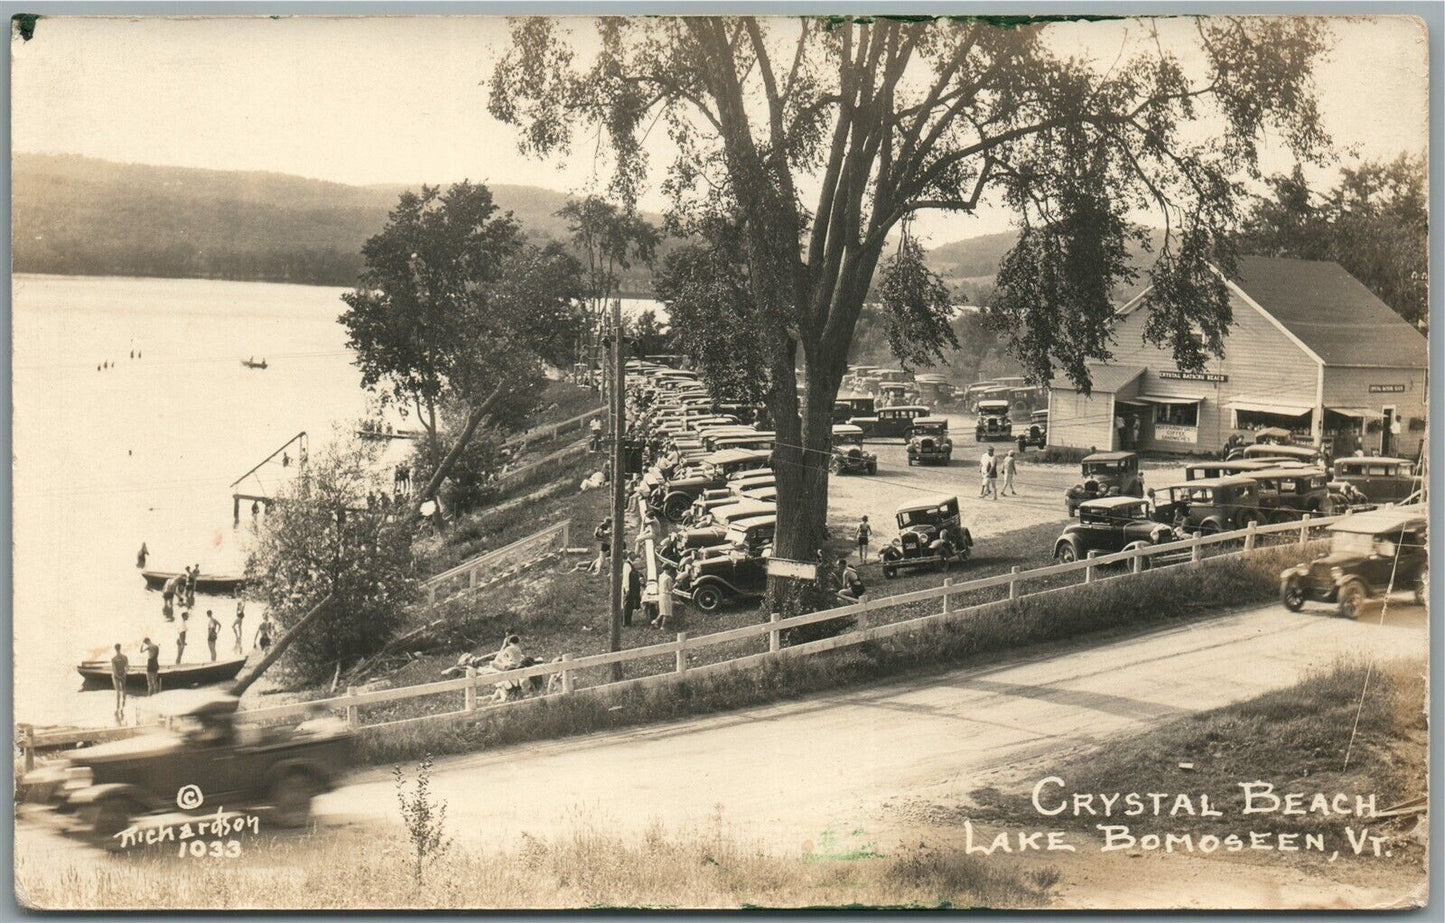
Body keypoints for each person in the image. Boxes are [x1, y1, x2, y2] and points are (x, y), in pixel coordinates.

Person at [653, 566, 676, 630]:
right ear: (668, 569)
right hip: (666, 595)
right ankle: (663, 626)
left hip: (661, 595)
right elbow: (670, 588)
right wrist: (676, 584)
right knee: (666, 612)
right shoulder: (668, 578)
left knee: (662, 611)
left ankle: (655, 621)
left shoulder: (660, 576)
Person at [622, 554, 642, 627]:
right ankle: (626, 623)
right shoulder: (627, 565)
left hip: (632, 588)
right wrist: (627, 589)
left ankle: (628, 621)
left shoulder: (631, 565)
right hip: (629, 588)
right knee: (627, 605)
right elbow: (626, 578)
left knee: (630, 605)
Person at [109, 643, 129, 714]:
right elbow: (127, 667)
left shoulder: (113, 659)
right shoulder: (125, 657)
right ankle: (123, 707)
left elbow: (114, 670)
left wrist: (118, 676)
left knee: (117, 691)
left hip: (117, 676)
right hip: (123, 674)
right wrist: (124, 674)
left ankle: (117, 708)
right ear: (120, 648)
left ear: (115, 649)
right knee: (124, 689)